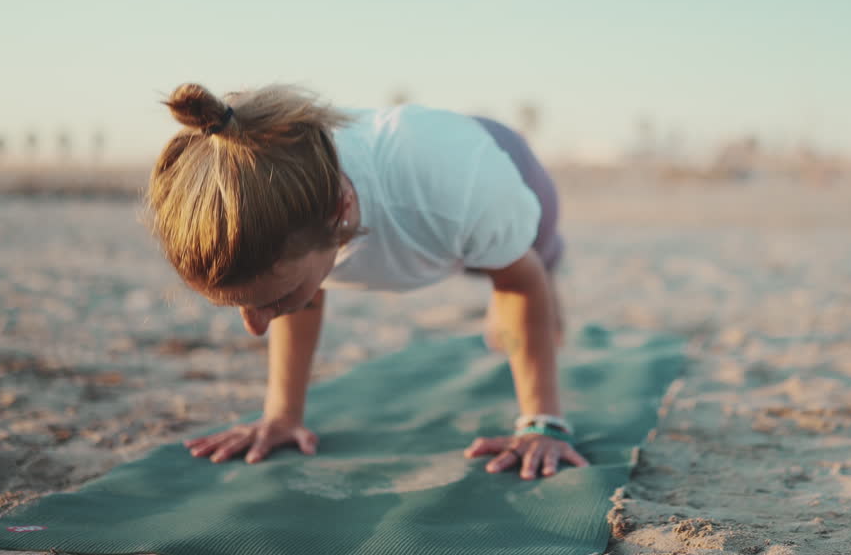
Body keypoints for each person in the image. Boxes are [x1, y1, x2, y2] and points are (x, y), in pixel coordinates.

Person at [145, 83, 586, 480]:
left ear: (341, 211)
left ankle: (547, 267)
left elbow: (519, 282)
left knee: (523, 264)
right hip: (426, 207)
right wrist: (282, 415)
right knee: (297, 286)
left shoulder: (457, 192)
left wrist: (541, 423)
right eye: (242, 305)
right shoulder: (283, 201)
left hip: (506, 161)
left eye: (271, 300)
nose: (254, 327)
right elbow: (302, 297)